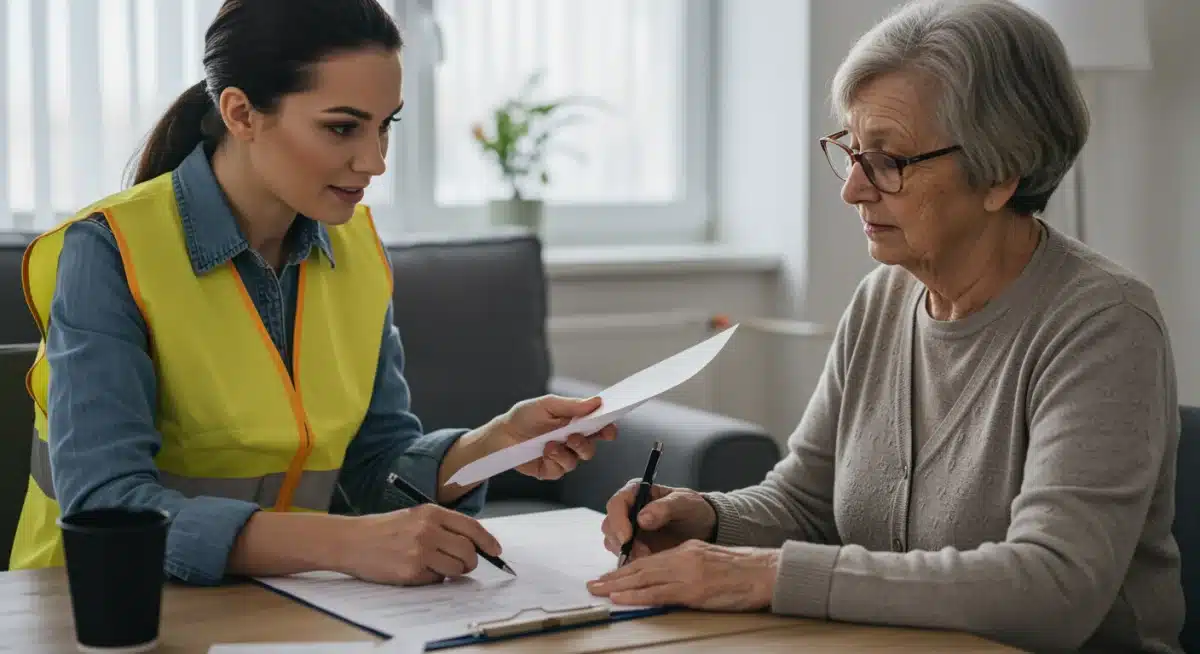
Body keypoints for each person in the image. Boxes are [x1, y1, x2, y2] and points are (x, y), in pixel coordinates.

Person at [589, 1, 1184, 652]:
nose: (853, 189)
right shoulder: (882, 300)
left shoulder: (1103, 324)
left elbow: (1053, 588)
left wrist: (764, 575)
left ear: (1001, 175)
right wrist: (707, 521)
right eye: (851, 150)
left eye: (889, 160)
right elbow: (807, 504)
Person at [9, 0, 616, 587]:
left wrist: (490, 446)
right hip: (94, 606)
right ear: (242, 114)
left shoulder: (356, 249)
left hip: (282, 603)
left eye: (385, 125)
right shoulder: (107, 252)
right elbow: (109, 507)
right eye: (342, 128)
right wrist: (346, 544)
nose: (374, 161)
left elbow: (373, 468)